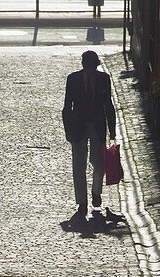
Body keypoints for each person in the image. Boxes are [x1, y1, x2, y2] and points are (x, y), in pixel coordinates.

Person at [62, 51, 116, 222]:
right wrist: (68, 129)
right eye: (89, 68)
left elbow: (109, 104)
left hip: (98, 125)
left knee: (99, 162)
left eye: (93, 68)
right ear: (84, 66)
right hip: (78, 126)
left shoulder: (104, 79)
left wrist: (112, 129)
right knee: (79, 164)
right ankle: (82, 203)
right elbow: (67, 106)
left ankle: (96, 192)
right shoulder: (73, 79)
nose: (91, 72)